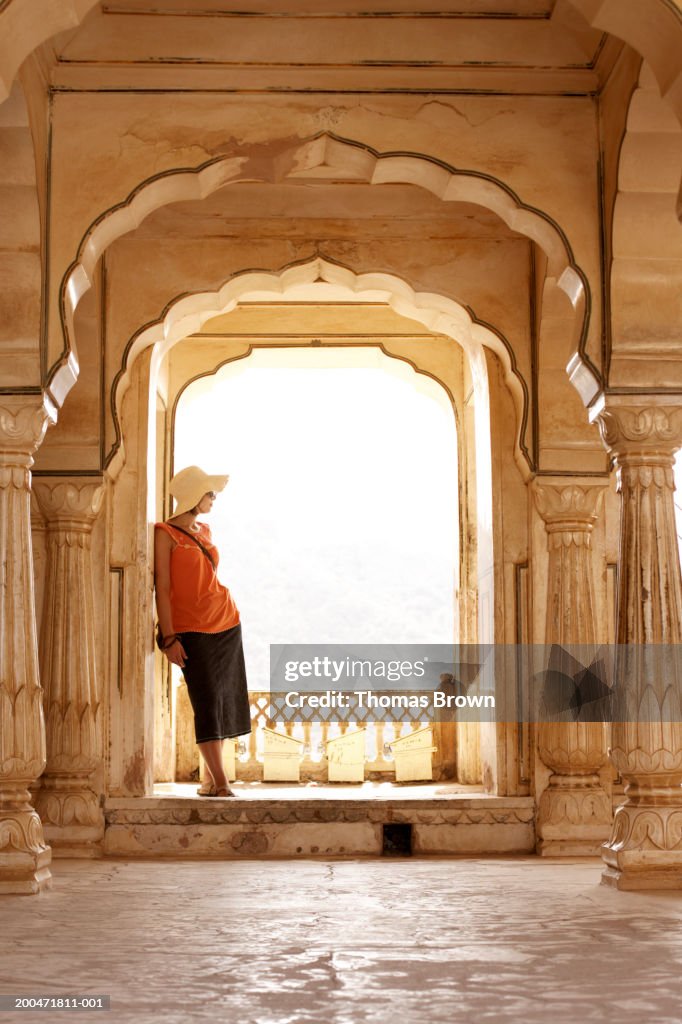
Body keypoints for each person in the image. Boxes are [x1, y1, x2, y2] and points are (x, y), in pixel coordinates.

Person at [154, 465, 251, 798]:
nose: (213, 499)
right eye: (210, 493)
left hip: (225, 623)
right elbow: (161, 587)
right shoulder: (164, 533)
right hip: (192, 629)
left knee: (222, 702)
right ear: (195, 495)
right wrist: (168, 638)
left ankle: (210, 781)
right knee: (206, 703)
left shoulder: (204, 530)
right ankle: (222, 783)